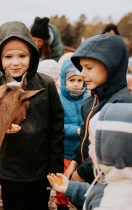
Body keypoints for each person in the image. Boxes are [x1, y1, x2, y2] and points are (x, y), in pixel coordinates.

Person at [0, 21, 64, 209]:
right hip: (10, 169)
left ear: (32, 56)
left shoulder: (46, 84)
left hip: (41, 168)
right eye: (8, 56)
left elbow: (56, 127)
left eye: (22, 55)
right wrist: (2, 126)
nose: (15, 62)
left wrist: (55, 168)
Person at [48, 103, 132, 209]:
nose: (88, 148)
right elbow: (102, 192)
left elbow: (105, 198)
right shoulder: (131, 180)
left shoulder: (110, 204)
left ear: (109, 151)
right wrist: (71, 188)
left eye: (91, 143)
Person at [64, 34, 132, 208]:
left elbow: (107, 150)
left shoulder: (121, 104)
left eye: (89, 67)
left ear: (111, 67)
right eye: (81, 67)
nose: (82, 74)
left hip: (105, 183)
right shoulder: (90, 101)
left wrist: (80, 174)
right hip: (85, 179)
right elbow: (84, 135)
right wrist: (74, 162)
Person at [55, 59, 89, 210]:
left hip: (82, 151)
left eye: (80, 80)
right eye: (72, 80)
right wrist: (74, 130)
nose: (76, 84)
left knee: (81, 180)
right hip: (65, 150)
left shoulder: (88, 98)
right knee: (64, 178)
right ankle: (61, 205)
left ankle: (83, 203)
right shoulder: (59, 99)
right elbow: (55, 125)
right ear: (64, 80)